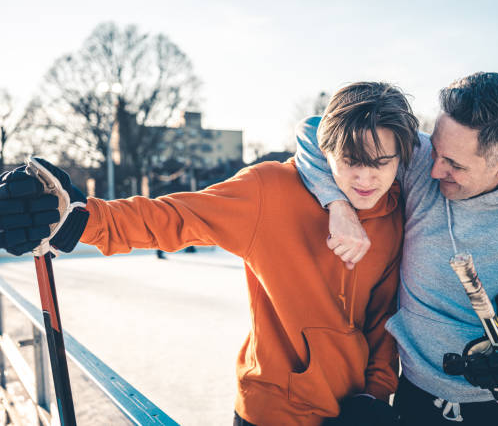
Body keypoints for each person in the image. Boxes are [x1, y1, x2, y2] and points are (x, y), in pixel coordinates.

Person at [0, 82, 420, 426]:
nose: (366, 178)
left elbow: (383, 319)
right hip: (272, 412)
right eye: (351, 161)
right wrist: (81, 218)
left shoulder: (395, 212)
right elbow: (174, 217)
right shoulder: (269, 190)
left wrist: (374, 395)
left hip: (352, 411)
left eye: (382, 163)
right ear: (326, 150)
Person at [294, 72, 498, 426]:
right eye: (437, 152)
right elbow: (313, 130)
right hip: (416, 394)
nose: (433, 169)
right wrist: (336, 204)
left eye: (454, 165)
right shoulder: (423, 161)